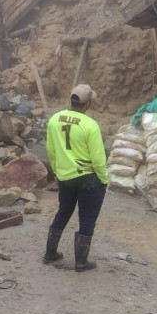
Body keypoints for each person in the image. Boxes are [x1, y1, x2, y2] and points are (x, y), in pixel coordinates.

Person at [43, 84, 108, 272]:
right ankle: (81, 262)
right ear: (88, 104)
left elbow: (51, 150)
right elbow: (97, 158)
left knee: (63, 212)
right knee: (87, 218)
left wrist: (57, 171)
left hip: (65, 176)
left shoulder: (55, 119)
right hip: (88, 177)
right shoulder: (90, 125)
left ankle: (50, 253)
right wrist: (103, 180)